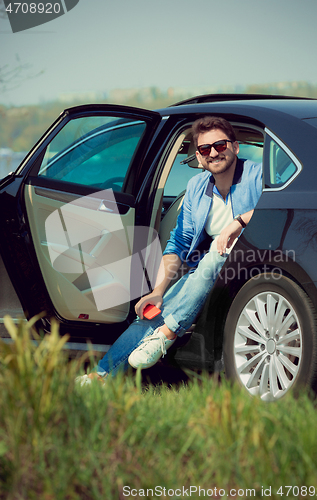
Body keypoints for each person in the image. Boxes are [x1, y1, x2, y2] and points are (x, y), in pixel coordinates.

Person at [77, 116, 262, 384]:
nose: (213, 153)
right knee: (152, 311)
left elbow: (284, 204)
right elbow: (179, 243)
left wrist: (240, 221)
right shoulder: (197, 188)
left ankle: (169, 332)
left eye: (220, 145)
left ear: (234, 147)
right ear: (198, 158)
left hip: (252, 260)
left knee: (216, 254)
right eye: (204, 149)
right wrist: (157, 292)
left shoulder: (256, 175)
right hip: (209, 269)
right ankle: (102, 375)